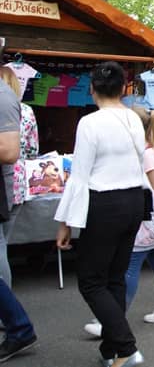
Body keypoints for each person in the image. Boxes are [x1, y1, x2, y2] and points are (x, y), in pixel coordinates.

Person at [54, 62, 148, 367]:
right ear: (123, 88)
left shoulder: (90, 123)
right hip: (134, 200)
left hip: (104, 204)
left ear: (92, 89)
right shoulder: (133, 119)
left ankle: (126, 346)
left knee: (91, 281)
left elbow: (79, 176)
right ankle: (112, 351)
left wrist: (65, 222)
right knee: (115, 278)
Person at [83, 107, 154, 337]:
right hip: (147, 215)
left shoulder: (147, 153)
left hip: (148, 218)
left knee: (130, 267)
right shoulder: (149, 150)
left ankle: (113, 320)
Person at [0, 80, 37, 363]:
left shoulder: (3, 97)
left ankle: (16, 325)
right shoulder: (16, 103)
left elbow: (10, 151)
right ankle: (16, 324)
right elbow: (31, 149)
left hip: (8, 184)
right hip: (17, 181)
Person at [0, 67, 38, 287]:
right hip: (19, 180)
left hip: (5, 178)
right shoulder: (27, 111)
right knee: (3, 241)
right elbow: (33, 150)